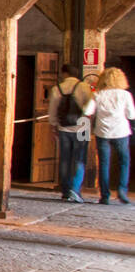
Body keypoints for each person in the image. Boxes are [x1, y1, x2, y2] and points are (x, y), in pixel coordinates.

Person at [48, 63, 96, 203]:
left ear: (64, 73)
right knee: (80, 159)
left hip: (64, 128)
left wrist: (53, 125)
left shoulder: (57, 89)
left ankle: (65, 191)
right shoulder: (84, 87)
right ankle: (75, 189)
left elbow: (53, 110)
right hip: (82, 127)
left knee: (64, 160)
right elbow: (90, 106)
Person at [92, 66, 135, 205]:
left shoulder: (98, 94)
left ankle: (105, 195)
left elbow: (88, 110)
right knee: (124, 161)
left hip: (102, 132)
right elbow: (131, 114)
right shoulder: (125, 95)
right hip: (120, 131)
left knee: (104, 163)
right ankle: (122, 190)